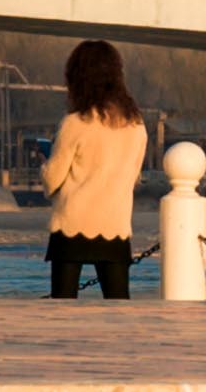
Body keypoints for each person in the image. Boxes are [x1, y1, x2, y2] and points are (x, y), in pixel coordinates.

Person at [40, 36, 145, 301]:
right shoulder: (136, 125)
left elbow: (53, 179)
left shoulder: (76, 122)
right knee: (119, 302)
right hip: (116, 223)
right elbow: (132, 176)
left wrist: (44, 163)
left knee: (62, 305)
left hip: (71, 224)